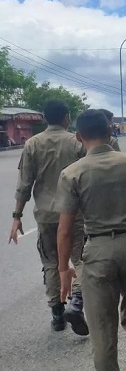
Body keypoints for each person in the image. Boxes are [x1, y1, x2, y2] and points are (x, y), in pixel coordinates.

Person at [55, 109, 126, 371]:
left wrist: (64, 271)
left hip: (97, 251)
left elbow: (63, 230)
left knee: (102, 331)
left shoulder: (72, 173)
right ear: (111, 132)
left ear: (78, 137)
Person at [9, 100, 88, 335]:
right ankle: (77, 303)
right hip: (74, 215)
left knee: (50, 262)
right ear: (66, 117)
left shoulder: (32, 144)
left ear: (45, 118)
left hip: (45, 216)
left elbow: (24, 184)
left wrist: (16, 216)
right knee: (81, 260)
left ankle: (57, 313)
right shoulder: (77, 142)